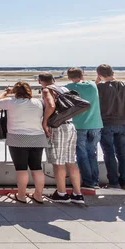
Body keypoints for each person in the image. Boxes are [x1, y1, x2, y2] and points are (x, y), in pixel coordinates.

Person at [0, 82, 47, 204]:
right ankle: (38, 195)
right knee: (37, 168)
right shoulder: (39, 102)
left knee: (21, 169)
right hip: (37, 137)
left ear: (15, 91)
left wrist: (6, 92)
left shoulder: (11, 102)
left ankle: (21, 195)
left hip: (17, 137)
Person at [39, 73, 84, 204]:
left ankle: (62, 193)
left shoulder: (47, 90)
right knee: (71, 161)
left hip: (58, 127)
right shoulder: (63, 89)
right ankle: (77, 193)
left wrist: (45, 121)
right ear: (53, 79)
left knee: (58, 163)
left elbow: (51, 105)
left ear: (40, 81)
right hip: (70, 126)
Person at [66, 67, 103, 189]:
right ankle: (95, 180)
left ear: (69, 76)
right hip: (96, 124)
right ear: (82, 75)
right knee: (92, 153)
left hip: (80, 125)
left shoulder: (68, 87)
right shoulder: (92, 85)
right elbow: (96, 81)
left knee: (81, 154)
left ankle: (88, 181)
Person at [96, 64, 125, 189]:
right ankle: (124, 181)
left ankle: (113, 181)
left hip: (106, 122)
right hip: (122, 122)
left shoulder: (100, 86)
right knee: (122, 153)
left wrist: (97, 80)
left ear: (99, 75)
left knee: (109, 152)